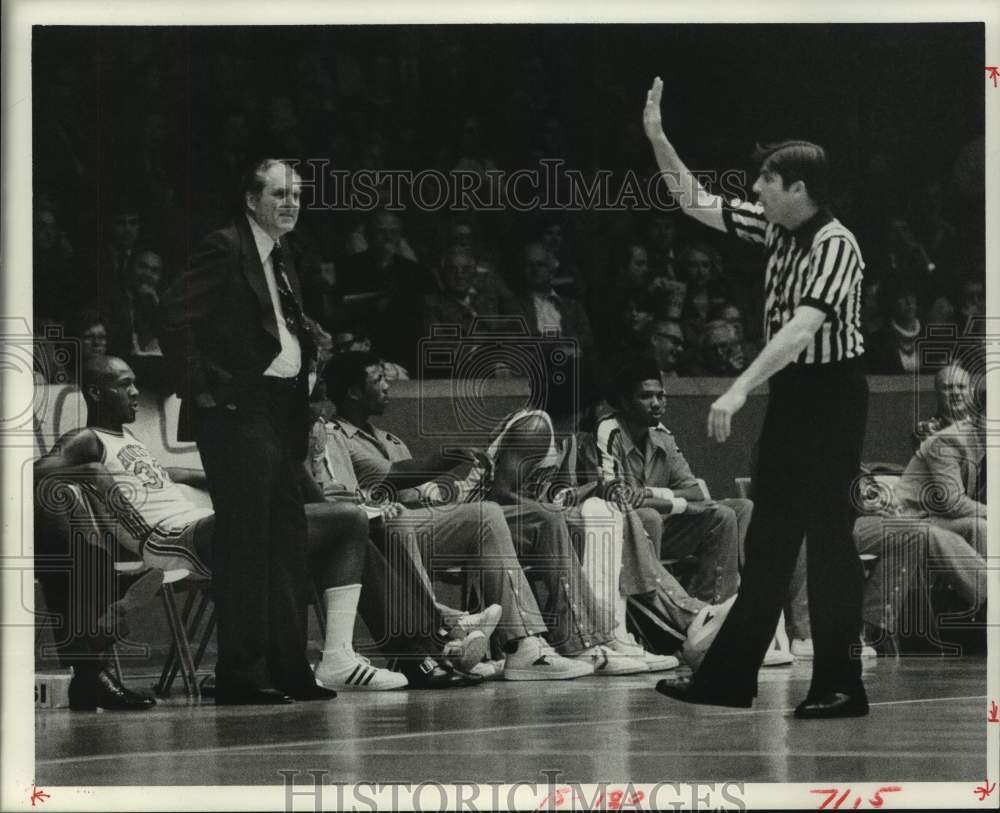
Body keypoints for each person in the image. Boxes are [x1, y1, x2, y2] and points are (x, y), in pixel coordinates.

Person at [643, 77, 870, 718]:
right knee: (768, 539)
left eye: (768, 180)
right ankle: (729, 677)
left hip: (832, 397)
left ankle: (840, 685)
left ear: (798, 188)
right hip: (796, 398)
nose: (757, 189)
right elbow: (693, 201)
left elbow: (802, 329)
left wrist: (739, 388)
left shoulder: (837, 244)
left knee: (830, 541)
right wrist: (659, 137)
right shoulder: (775, 230)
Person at [160, 158, 333, 705]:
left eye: (298, 195)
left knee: (288, 537)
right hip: (238, 412)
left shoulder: (281, 256)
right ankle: (241, 673)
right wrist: (206, 388)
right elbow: (173, 317)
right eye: (280, 194)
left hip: (281, 411)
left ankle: (289, 667)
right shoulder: (224, 247)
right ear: (251, 200)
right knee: (247, 541)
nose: (291, 203)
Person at [316, 351, 599, 680]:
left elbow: (413, 492)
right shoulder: (335, 436)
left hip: (422, 522)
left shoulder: (389, 440)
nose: (387, 386)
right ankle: (452, 634)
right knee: (483, 513)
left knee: (506, 516)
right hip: (385, 537)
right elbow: (355, 496)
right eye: (377, 380)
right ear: (352, 392)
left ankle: (543, 641)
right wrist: (441, 461)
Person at [590, 359, 746, 606]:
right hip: (622, 531)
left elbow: (695, 491)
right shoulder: (608, 430)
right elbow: (617, 498)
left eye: (660, 396)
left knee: (728, 514)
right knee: (649, 515)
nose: (656, 404)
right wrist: (679, 505)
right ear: (625, 402)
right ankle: (679, 613)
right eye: (646, 396)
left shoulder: (662, 434)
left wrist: (650, 492)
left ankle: (713, 608)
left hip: (665, 529)